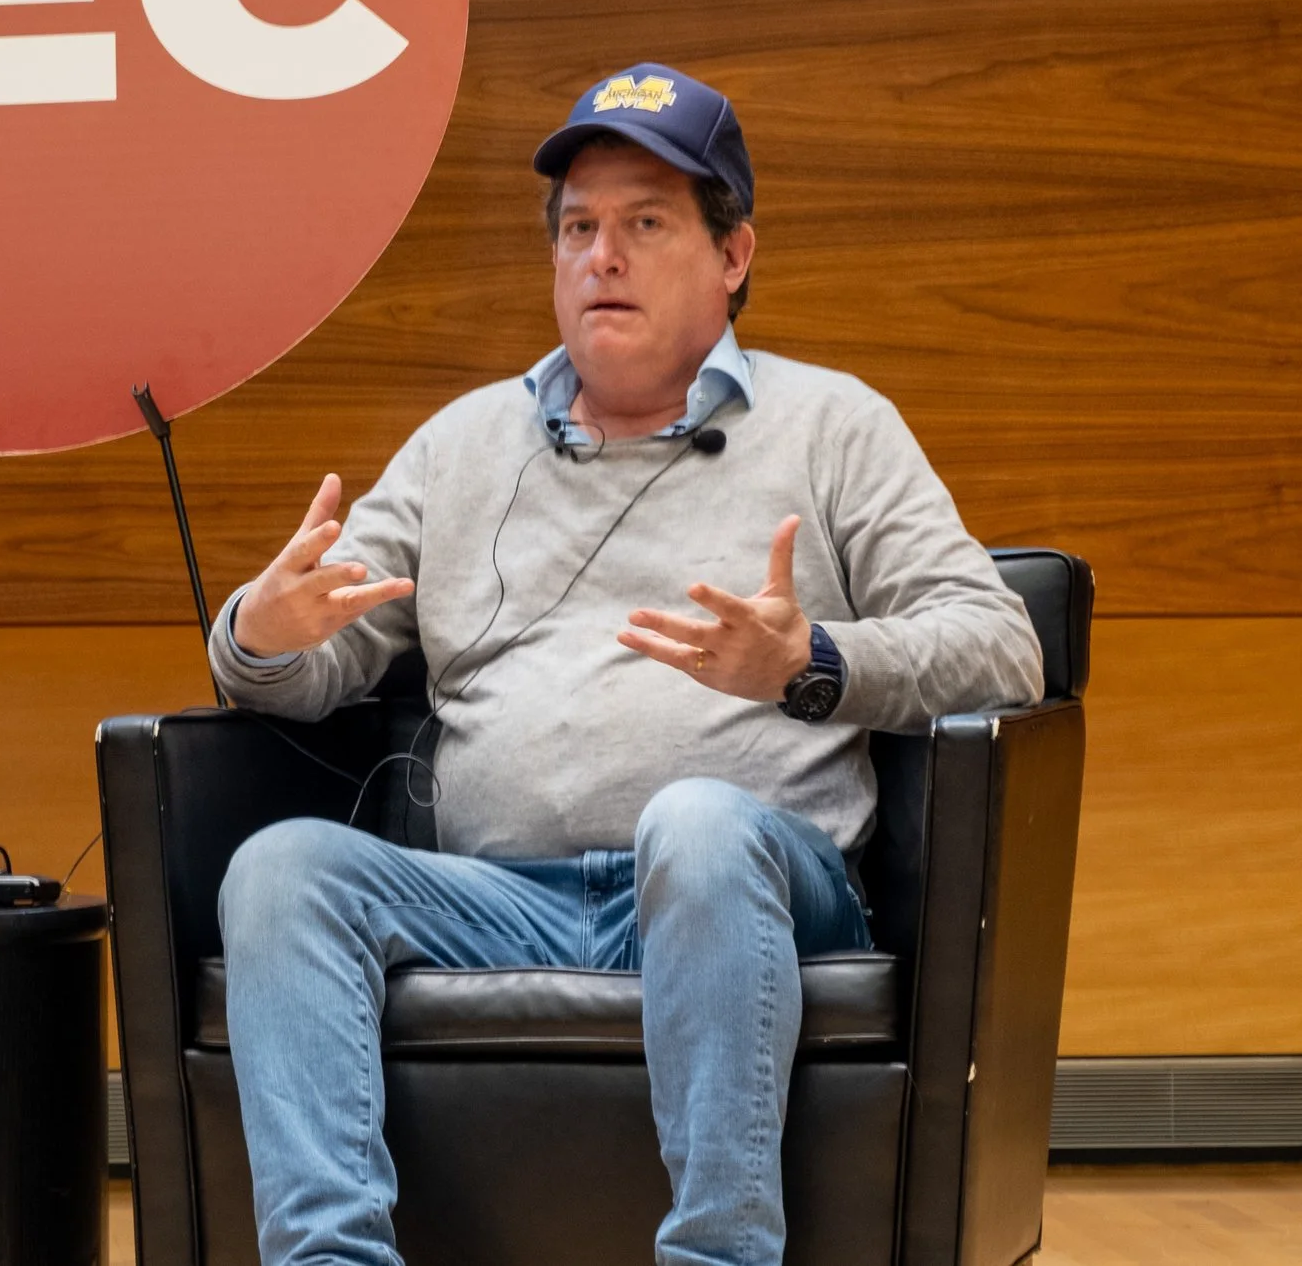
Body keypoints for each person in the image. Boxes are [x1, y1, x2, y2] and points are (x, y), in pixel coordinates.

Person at [210, 66, 1045, 1266]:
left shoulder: (834, 424)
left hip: (751, 880)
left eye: (645, 224)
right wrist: (259, 636)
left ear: (734, 254)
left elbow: (999, 645)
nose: (601, 255)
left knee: (695, 822)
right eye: (578, 227)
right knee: (282, 868)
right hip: (503, 896)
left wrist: (810, 661)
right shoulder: (460, 444)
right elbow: (310, 660)